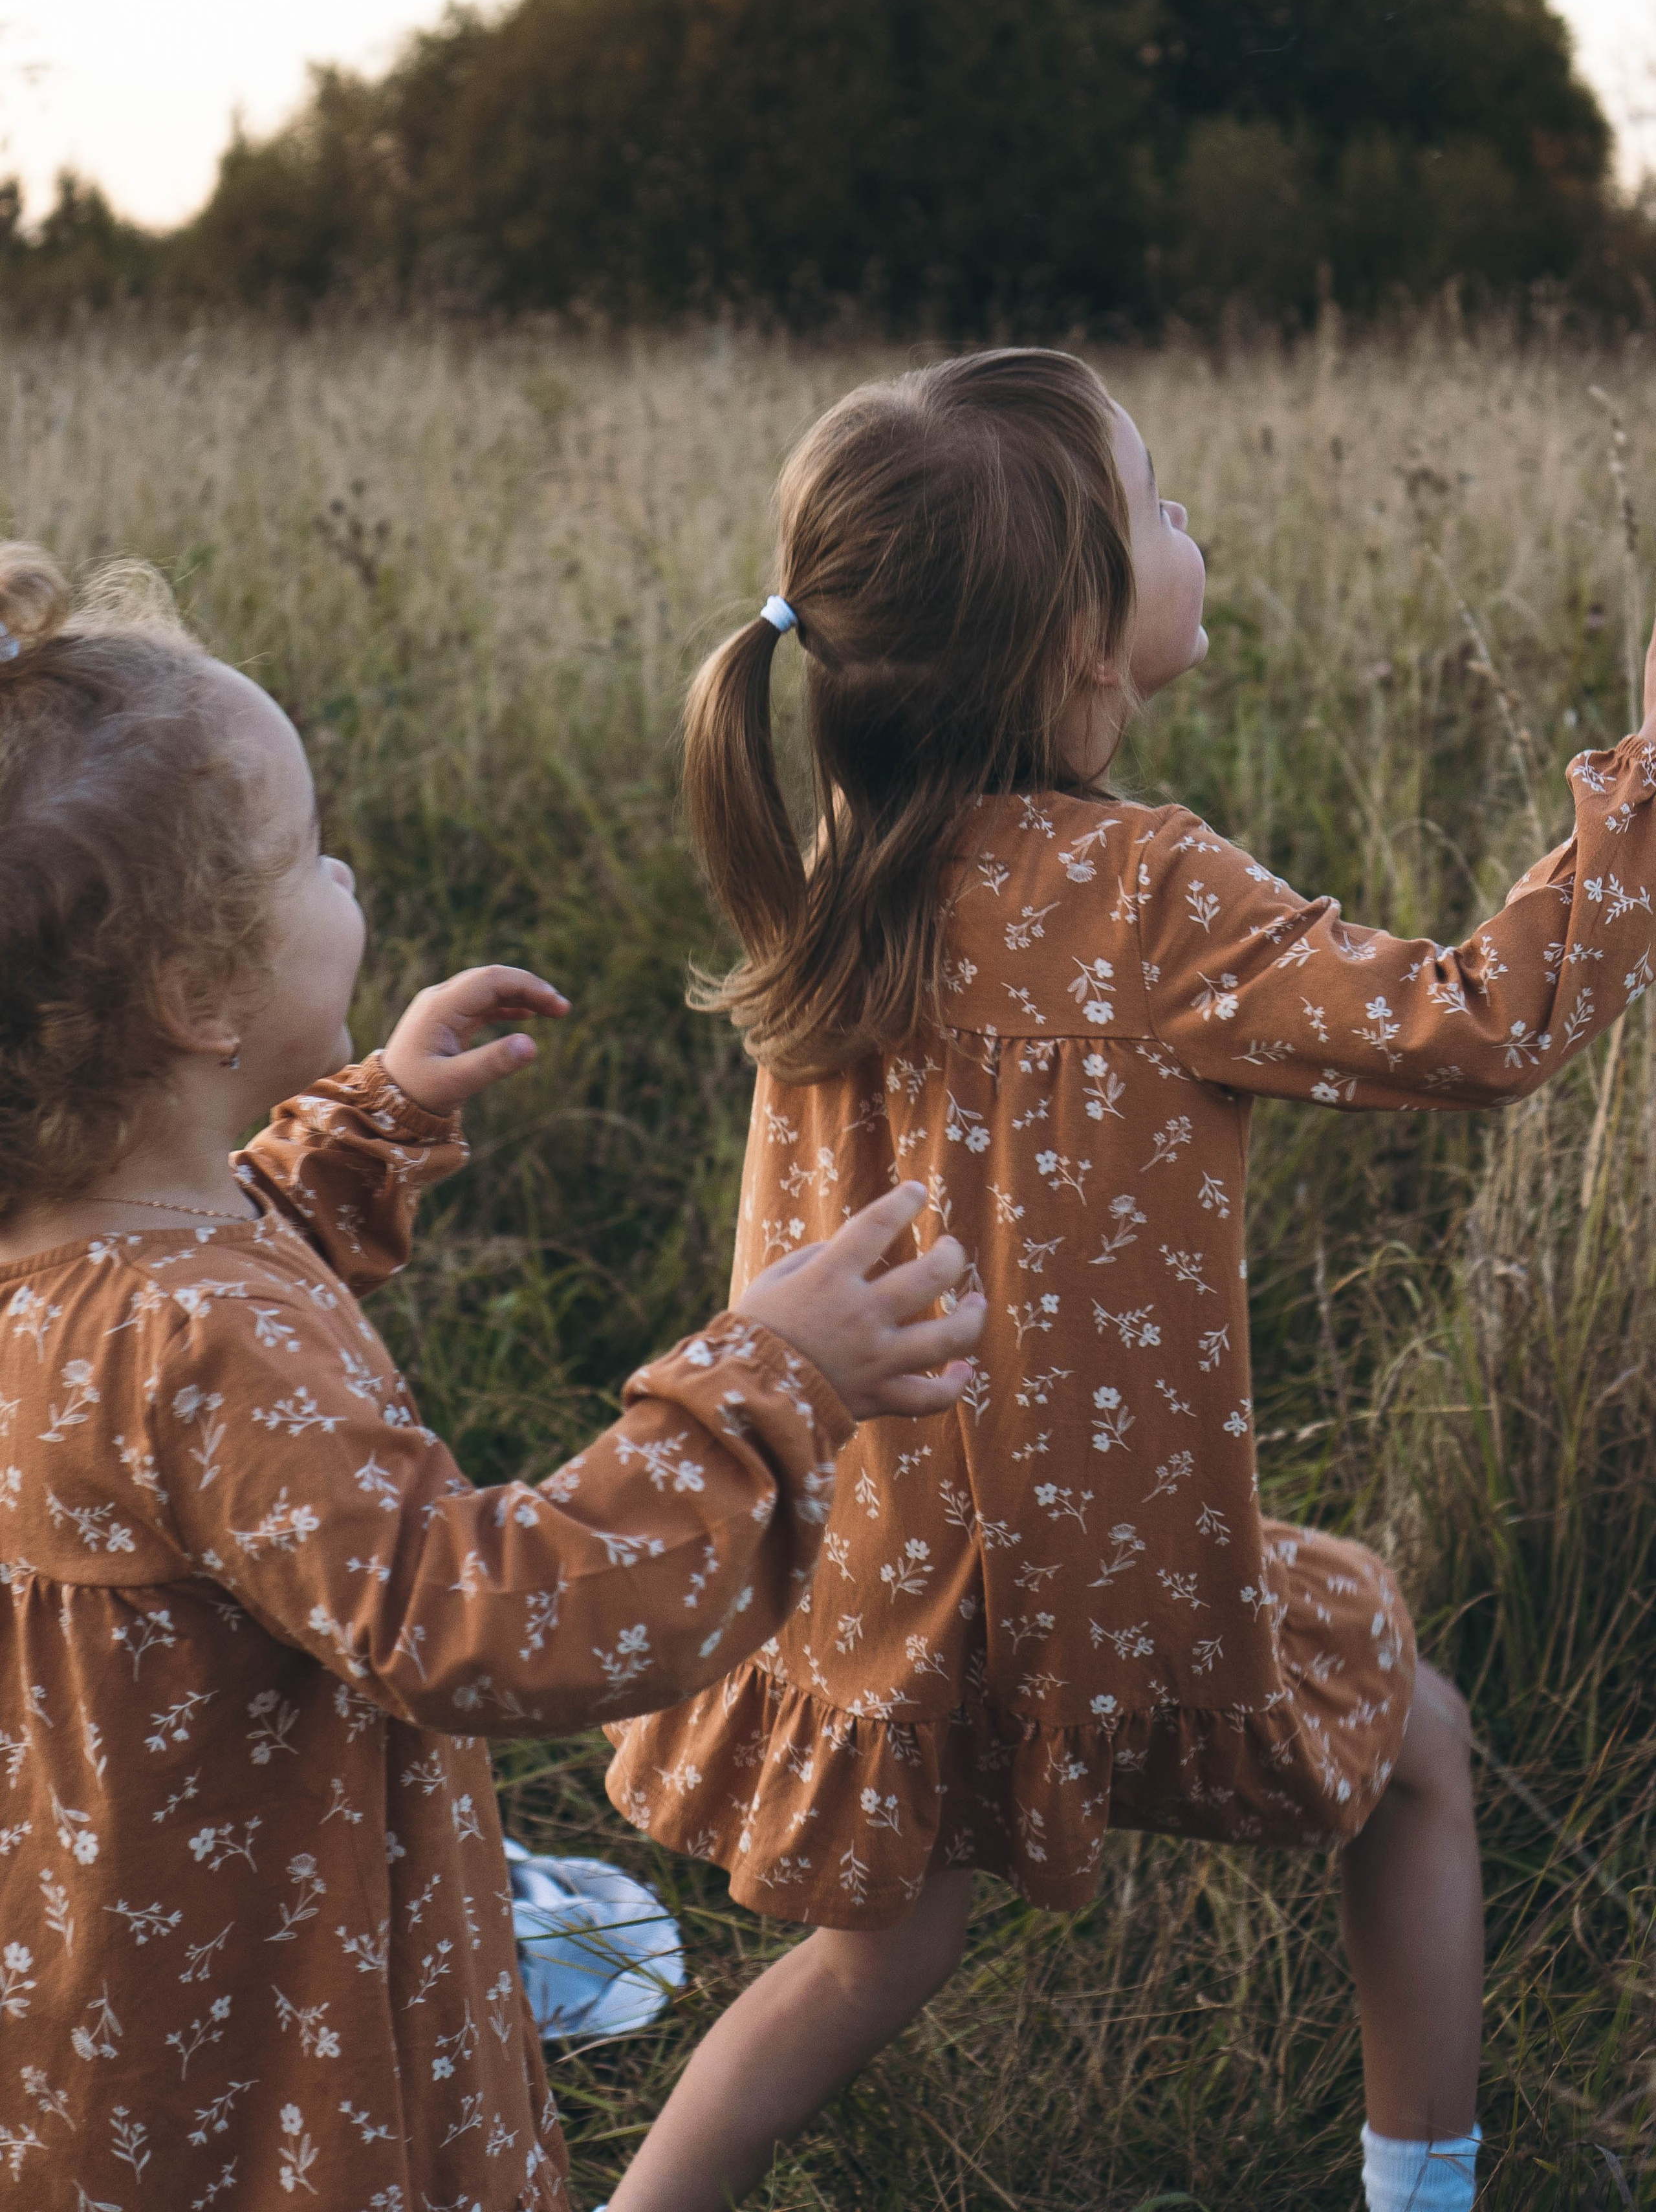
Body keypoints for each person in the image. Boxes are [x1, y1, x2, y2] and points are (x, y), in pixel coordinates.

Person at [605, 346, 1656, 2212]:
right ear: (1077, 648)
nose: (1195, 526)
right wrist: (1638, 795)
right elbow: (1487, 1029)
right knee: (1419, 1753)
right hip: (1111, 1571)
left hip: (894, 1571)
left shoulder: (848, 874)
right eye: (1161, 506)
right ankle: (1429, 2196)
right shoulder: (1149, 894)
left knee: (875, 1957)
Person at [0, 545, 985, 2212]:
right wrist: (766, 1385)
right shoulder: (207, 1341)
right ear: (193, 997)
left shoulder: (79, 1264)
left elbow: (225, 1273)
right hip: (268, 2024)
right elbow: (475, 1615)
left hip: (105, 1971)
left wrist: (372, 1114)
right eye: (307, 861)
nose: (348, 876)